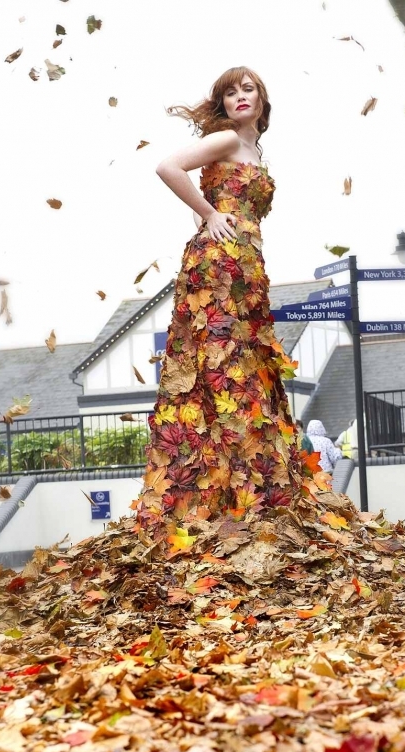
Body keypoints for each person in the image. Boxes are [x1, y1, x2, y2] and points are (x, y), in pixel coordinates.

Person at [134, 68, 323, 536]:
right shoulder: (224, 141)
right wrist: (209, 213)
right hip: (216, 264)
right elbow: (166, 166)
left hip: (247, 268)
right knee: (222, 367)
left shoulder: (255, 150)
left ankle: (247, 486)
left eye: (248, 89)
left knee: (244, 365)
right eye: (230, 92)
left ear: (262, 99)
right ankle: (233, 493)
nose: (240, 97)